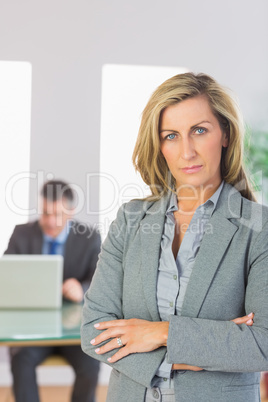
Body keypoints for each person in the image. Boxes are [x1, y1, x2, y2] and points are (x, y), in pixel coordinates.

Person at [81, 72, 268, 402]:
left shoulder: (258, 227)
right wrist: (194, 354)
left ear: (224, 133)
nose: (187, 151)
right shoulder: (131, 219)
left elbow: (261, 344)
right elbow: (93, 331)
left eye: (199, 130)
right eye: (170, 135)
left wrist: (159, 333)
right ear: (159, 144)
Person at [5, 179, 101, 402]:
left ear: (71, 211)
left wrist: (83, 289)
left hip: (75, 331)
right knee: (20, 358)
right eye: (45, 213)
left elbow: (100, 281)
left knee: (91, 362)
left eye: (57, 214)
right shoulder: (21, 234)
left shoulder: (89, 237)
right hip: (33, 329)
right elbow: (7, 278)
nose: (50, 221)